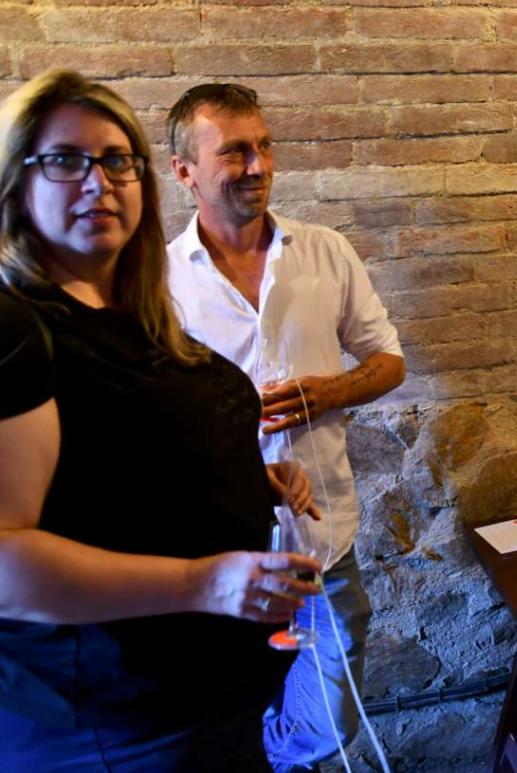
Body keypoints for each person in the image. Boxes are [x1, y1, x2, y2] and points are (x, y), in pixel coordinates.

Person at [0, 69, 321, 770]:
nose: (99, 182)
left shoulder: (133, 314)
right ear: (15, 185)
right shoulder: (17, 324)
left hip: (203, 714)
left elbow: (109, 472)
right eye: (65, 160)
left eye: (118, 160)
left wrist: (241, 477)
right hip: (115, 727)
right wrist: (205, 580)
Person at [165, 83, 405, 770]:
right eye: (234, 152)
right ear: (184, 171)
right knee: (230, 706)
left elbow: (389, 361)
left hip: (324, 536)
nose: (259, 166)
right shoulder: (157, 279)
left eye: (265, 146)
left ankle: (282, 759)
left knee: (331, 710)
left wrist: (332, 390)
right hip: (220, 552)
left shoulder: (325, 250)